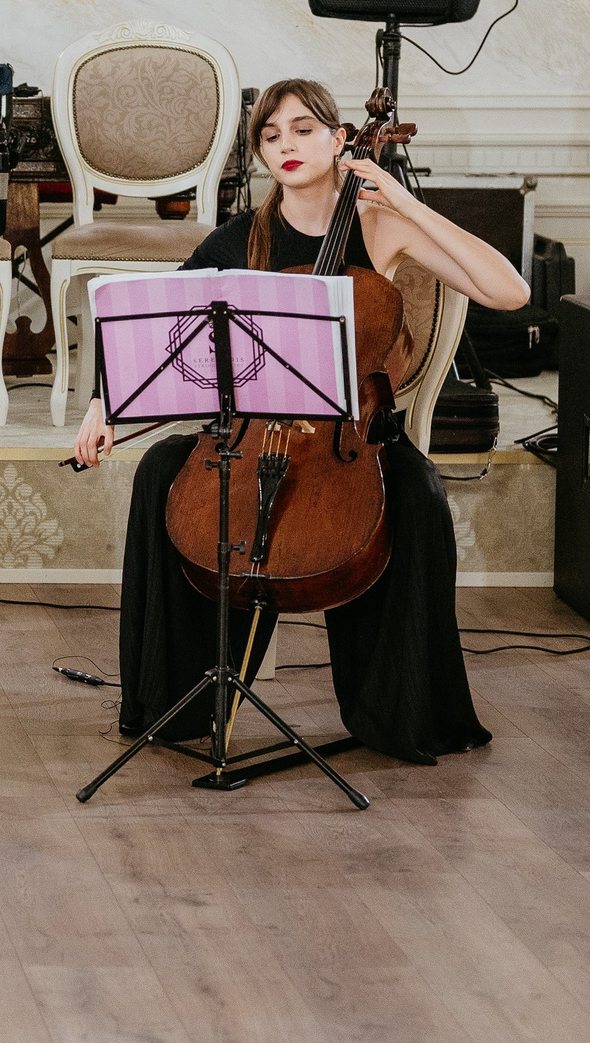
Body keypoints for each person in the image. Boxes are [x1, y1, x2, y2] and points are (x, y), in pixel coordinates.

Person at [69, 78, 531, 764]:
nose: (286, 144)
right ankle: (177, 699)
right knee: (162, 470)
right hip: (250, 435)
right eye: (271, 135)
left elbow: (509, 291)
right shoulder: (241, 237)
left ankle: (403, 710)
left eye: (304, 129)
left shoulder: (383, 227)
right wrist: (104, 404)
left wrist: (404, 201)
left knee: (418, 495)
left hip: (356, 438)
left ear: (343, 140)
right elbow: (161, 332)